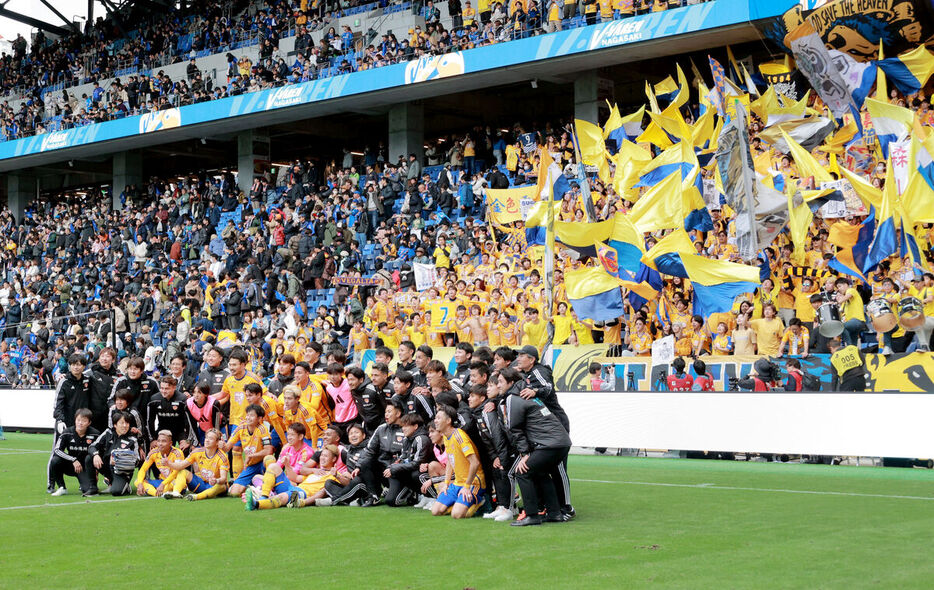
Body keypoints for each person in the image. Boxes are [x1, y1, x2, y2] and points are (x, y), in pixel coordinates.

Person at [431, 404, 486, 519]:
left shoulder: (459, 436)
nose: (435, 421)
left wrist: (467, 486)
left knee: (457, 515)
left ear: (448, 421)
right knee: (436, 511)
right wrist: (446, 483)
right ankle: (458, 502)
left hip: (473, 482)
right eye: (435, 418)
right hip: (457, 482)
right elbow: (451, 461)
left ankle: (480, 502)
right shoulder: (446, 437)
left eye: (439, 418)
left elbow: (475, 463)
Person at [164, 428, 230, 500]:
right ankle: (176, 493)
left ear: (217, 442)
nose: (207, 440)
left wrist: (216, 480)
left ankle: (197, 497)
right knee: (182, 472)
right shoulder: (196, 452)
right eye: (206, 437)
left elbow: (223, 478)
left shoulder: (223, 457)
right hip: (202, 484)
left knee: (222, 486)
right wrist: (169, 463)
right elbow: (180, 466)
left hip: (215, 486)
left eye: (210, 439)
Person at [86, 411, 141, 496]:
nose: (125, 425)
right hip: (107, 468)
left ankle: (125, 486)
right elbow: (92, 446)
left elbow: (137, 460)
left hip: (122, 472)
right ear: (115, 425)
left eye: (127, 423)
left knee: (116, 492)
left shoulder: (132, 439)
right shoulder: (108, 433)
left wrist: (120, 461)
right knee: (89, 458)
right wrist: (95, 455)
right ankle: (93, 488)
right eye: (122, 423)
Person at [48, 408, 100, 496]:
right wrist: (73, 459)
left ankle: (86, 483)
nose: (80, 423)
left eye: (83, 421)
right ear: (75, 420)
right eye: (78, 420)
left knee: (87, 490)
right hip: (71, 465)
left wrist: (96, 471)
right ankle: (62, 487)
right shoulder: (67, 433)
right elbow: (57, 450)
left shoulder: (95, 434)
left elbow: (99, 453)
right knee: (55, 461)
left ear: (89, 423)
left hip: (85, 468)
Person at [385, 413, 432, 506]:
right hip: (410, 471)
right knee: (390, 501)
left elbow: (417, 463)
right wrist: (392, 467)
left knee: (415, 474)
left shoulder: (421, 439)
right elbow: (402, 458)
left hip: (425, 473)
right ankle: (412, 493)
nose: (403, 428)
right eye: (402, 426)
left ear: (415, 426)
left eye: (406, 426)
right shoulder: (406, 439)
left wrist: (395, 468)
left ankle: (429, 496)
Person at [146, 376, 197, 450]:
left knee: (185, 448)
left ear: (174, 387)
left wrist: (188, 440)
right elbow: (149, 421)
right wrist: (152, 439)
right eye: (162, 388)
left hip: (180, 431)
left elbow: (189, 422)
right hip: (162, 430)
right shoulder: (154, 400)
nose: (163, 391)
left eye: (166, 388)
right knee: (154, 448)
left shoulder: (182, 400)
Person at [135, 430, 185, 497]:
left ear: (170, 443)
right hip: (162, 481)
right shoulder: (153, 452)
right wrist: (140, 484)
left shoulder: (178, 453)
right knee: (137, 481)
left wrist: (163, 484)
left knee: (171, 485)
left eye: (164, 441)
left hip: (175, 481)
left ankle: (154, 491)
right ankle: (157, 493)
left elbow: (175, 473)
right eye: (158, 441)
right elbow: (143, 469)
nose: (160, 444)